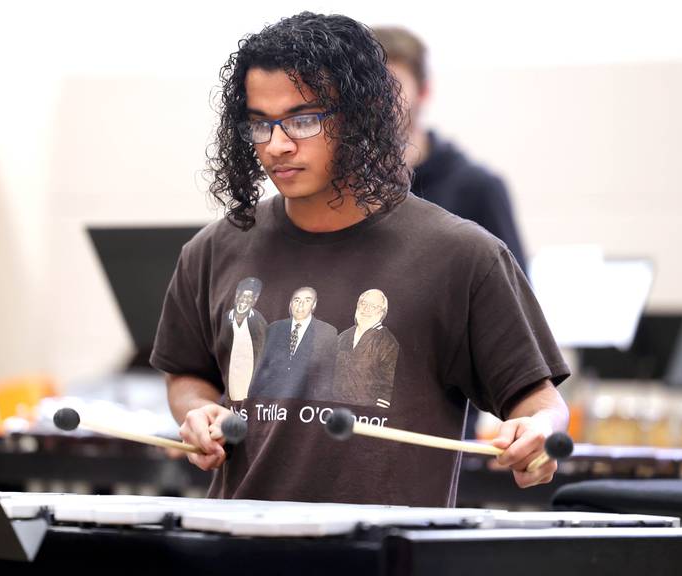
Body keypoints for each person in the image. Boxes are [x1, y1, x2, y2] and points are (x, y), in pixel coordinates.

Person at [150, 12, 570, 506]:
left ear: (362, 114)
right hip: (238, 545)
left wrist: (536, 434)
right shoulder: (213, 250)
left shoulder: (462, 256)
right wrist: (198, 410)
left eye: (303, 119)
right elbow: (188, 375)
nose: (278, 146)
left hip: (391, 552)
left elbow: (541, 403)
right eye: (260, 124)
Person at [371, 26, 527, 270]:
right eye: (366, 89)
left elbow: (515, 299)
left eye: (390, 88)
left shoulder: (478, 189)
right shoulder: (345, 192)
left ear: (423, 91)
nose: (376, 101)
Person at [248, 286, 337, 401]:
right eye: (297, 300)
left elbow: (327, 376)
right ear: (290, 304)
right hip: (271, 402)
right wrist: (252, 399)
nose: (301, 305)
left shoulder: (327, 331)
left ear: (314, 305)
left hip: (305, 404)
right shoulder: (274, 328)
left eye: (307, 300)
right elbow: (262, 367)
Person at [331, 289, 399, 408]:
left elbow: (389, 385)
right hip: (335, 408)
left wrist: (377, 413)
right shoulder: (342, 336)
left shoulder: (388, 342)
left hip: (365, 413)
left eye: (373, 306)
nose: (366, 309)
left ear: (382, 312)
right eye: (364, 303)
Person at [222, 277, 267, 401]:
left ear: (254, 300)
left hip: (250, 371)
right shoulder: (225, 319)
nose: (244, 301)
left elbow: (263, 347)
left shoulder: (258, 320)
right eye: (242, 296)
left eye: (249, 298)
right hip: (231, 372)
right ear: (237, 296)